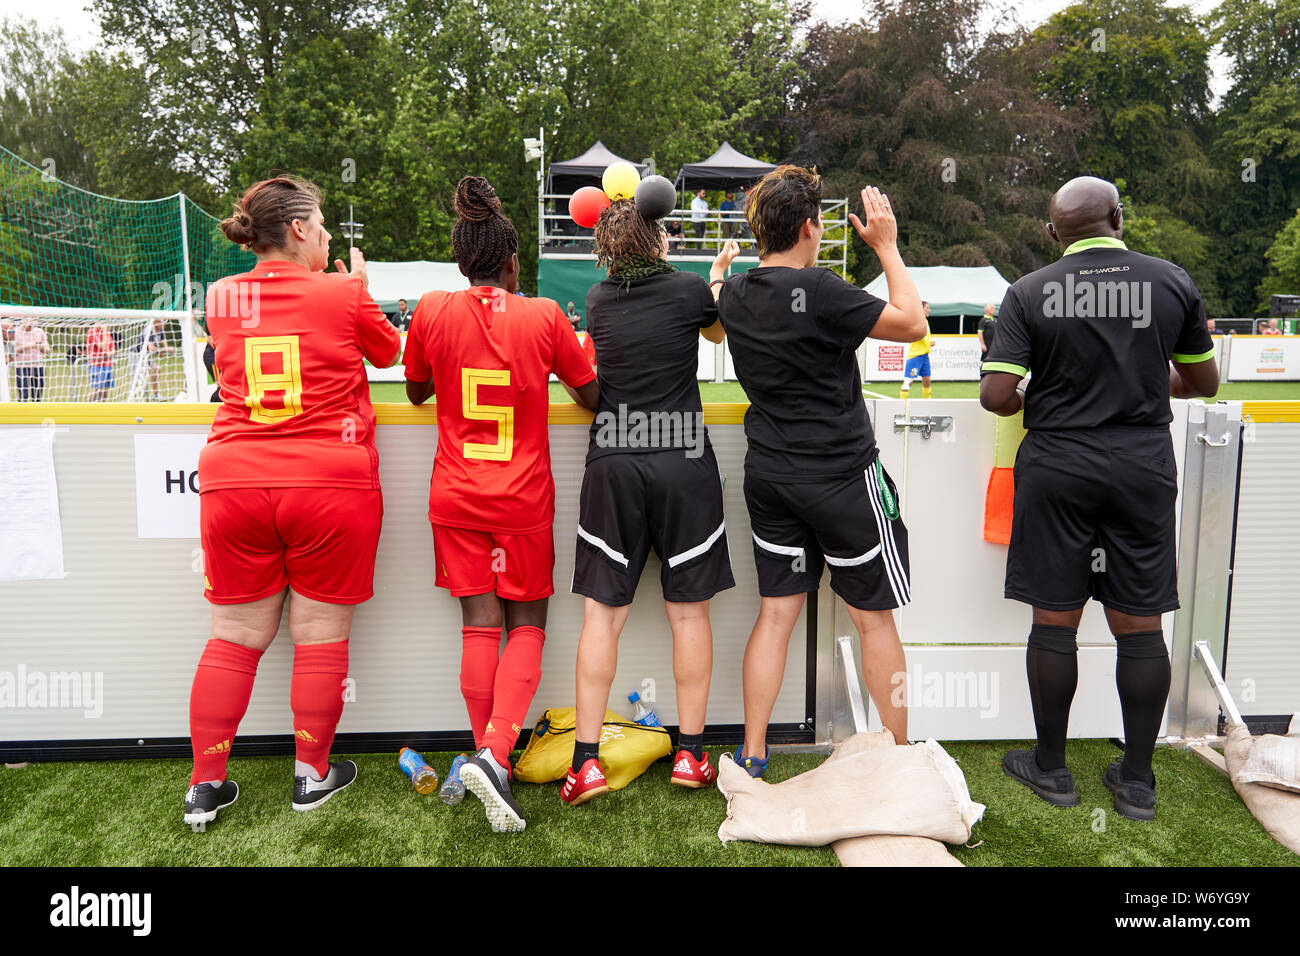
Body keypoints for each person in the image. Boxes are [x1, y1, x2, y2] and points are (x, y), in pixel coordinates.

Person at [981, 176, 1218, 822]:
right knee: (1140, 624)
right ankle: (1137, 782)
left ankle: (1051, 768)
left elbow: (997, 397)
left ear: (1052, 231)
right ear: (1118, 217)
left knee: (1054, 618)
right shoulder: (1171, 281)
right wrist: (1143, 376)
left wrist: (1048, 393)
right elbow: (1203, 382)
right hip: (1142, 465)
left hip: (1058, 464)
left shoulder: (1026, 292)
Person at [184, 175, 402, 827]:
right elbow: (389, 352)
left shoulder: (220, 296)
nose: (330, 234)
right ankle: (311, 774)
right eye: (324, 222)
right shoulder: (340, 291)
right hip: (330, 483)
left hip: (234, 480)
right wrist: (358, 288)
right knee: (319, 635)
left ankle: (205, 785)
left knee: (233, 636)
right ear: (301, 229)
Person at [403, 176, 599, 833]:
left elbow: (414, 394)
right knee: (527, 626)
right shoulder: (544, 316)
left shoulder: (431, 309)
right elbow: (593, 396)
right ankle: (494, 753)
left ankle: (486, 756)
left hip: (455, 494)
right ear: (514, 262)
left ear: (462, 263)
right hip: (520, 499)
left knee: (479, 626)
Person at [717, 166, 926, 776]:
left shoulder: (735, 295)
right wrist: (886, 245)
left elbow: (716, 296)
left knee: (776, 613)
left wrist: (719, 272)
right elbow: (912, 322)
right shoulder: (824, 289)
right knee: (874, 618)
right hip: (841, 477)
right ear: (810, 227)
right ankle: (897, 759)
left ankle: (753, 751)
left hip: (772, 477)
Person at [560, 202, 737, 806]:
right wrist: (717, 277)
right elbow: (716, 331)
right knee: (689, 615)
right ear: (657, 238)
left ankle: (585, 763)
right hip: (683, 460)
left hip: (614, 459)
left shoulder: (599, 300)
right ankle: (689, 754)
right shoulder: (690, 291)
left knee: (600, 618)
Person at [900, 301, 935, 399]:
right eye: (927, 307)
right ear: (921, 309)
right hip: (915, 357)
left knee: (927, 381)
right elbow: (915, 335)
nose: (929, 310)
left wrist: (929, 344)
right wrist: (929, 343)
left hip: (924, 357)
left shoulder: (925, 321)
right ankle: (902, 407)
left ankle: (927, 404)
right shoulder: (917, 321)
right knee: (908, 382)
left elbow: (924, 338)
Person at [11, 317, 51, 402]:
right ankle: (22, 413)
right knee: (23, 396)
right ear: (22, 320)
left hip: (38, 366)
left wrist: (40, 346)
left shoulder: (40, 331)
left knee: (37, 395)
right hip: (22, 367)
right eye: (28, 323)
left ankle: (36, 414)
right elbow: (12, 352)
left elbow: (47, 350)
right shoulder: (15, 332)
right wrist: (29, 345)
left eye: (33, 322)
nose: (30, 326)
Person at [144, 317, 176, 400]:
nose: (164, 324)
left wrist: (163, 351)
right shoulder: (149, 330)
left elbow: (165, 347)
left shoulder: (161, 331)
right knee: (137, 379)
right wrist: (164, 350)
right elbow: (152, 348)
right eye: (162, 322)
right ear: (155, 322)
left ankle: (156, 395)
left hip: (147, 356)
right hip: (136, 355)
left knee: (157, 368)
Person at [86, 321, 116, 401]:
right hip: (96, 365)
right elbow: (103, 346)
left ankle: (102, 410)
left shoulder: (108, 334)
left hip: (108, 365)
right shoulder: (92, 332)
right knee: (95, 390)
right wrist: (105, 331)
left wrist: (109, 354)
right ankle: (85, 410)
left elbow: (113, 350)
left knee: (105, 391)